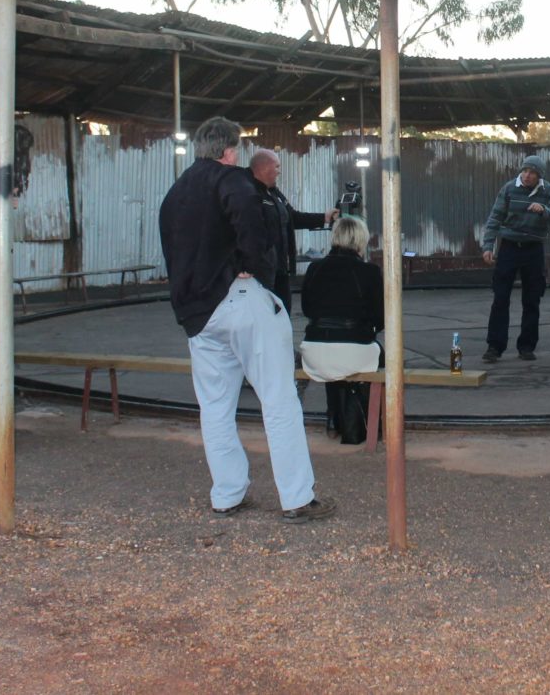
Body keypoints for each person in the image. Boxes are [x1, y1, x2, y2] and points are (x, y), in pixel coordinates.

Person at [158, 116, 333, 523]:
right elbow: (254, 234)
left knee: (215, 406)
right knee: (278, 397)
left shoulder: (175, 192)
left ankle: (228, 494)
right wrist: (253, 268)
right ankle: (296, 498)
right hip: (239, 299)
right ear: (230, 150)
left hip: (197, 312)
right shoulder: (232, 180)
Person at [300, 216, 384, 445]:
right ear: (361, 240)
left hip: (314, 351)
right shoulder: (370, 272)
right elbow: (380, 318)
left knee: (334, 357)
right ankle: (368, 423)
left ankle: (334, 418)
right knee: (377, 356)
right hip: (354, 350)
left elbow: (307, 308)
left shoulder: (314, 268)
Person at [480, 154, 550, 362]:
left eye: (532, 173)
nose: (527, 175)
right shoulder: (509, 189)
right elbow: (495, 218)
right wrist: (488, 245)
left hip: (533, 249)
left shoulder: (548, 191)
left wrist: (544, 210)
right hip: (509, 248)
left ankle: (526, 346)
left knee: (532, 299)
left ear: (539, 176)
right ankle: (494, 347)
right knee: (500, 297)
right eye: (525, 171)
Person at [249, 148, 337, 313]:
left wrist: (324, 217)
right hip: (261, 271)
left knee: (283, 312)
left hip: (281, 268)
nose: (279, 172)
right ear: (263, 168)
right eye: (277, 167)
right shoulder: (250, 194)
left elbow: (293, 217)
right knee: (264, 315)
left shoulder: (276, 194)